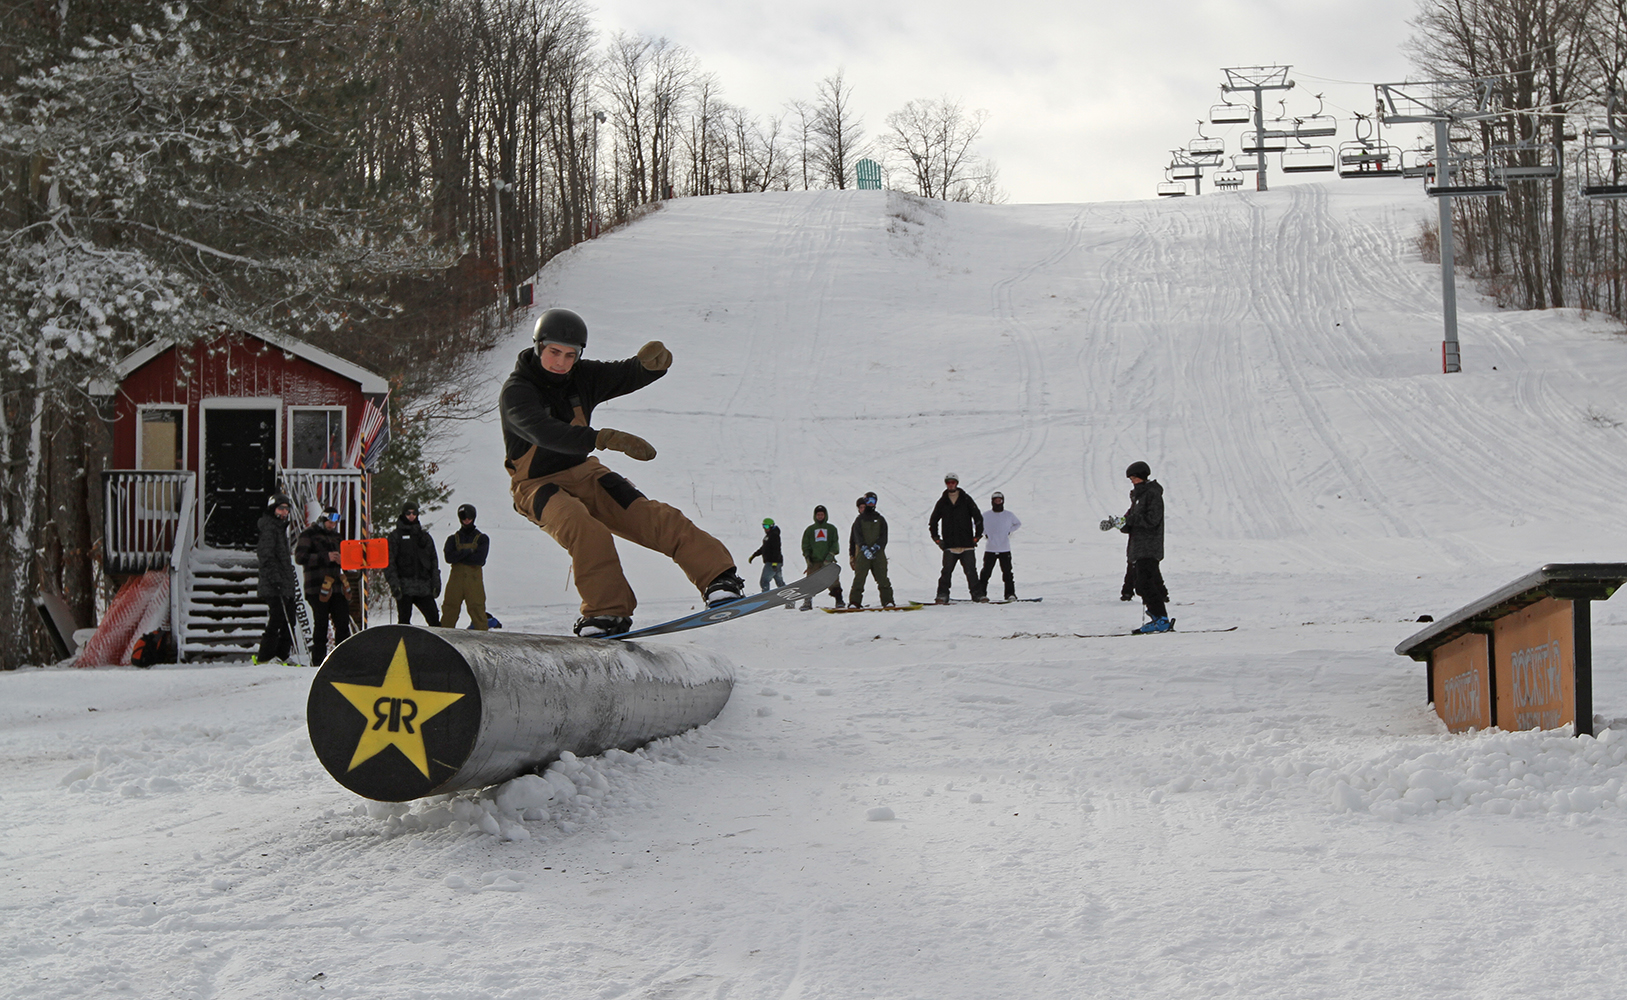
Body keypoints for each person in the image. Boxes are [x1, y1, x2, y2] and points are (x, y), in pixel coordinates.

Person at [500, 307, 744, 637]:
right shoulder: (517, 391)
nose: (561, 362)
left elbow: (622, 374)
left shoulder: (581, 377)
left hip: (584, 471)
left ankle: (719, 578)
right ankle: (605, 612)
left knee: (646, 514)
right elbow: (543, 431)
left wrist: (647, 367)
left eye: (570, 355)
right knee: (584, 529)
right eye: (553, 352)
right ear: (538, 346)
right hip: (536, 485)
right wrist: (601, 438)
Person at [1119, 460, 1173, 633]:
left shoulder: (1152, 494)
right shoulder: (1137, 496)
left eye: (1133, 478)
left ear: (1142, 476)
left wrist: (1130, 520)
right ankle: (1158, 617)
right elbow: (1129, 522)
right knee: (1143, 584)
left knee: (1145, 583)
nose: (1132, 481)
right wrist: (1119, 523)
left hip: (1149, 547)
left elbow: (1152, 519)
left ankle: (1161, 619)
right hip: (1138, 547)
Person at [295, 502, 351, 662]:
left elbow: (348, 559)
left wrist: (343, 560)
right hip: (317, 587)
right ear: (322, 520)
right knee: (321, 625)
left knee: (342, 623)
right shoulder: (308, 534)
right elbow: (300, 557)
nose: (332, 526)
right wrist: (325, 557)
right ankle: (318, 661)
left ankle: (342, 659)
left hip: (337, 587)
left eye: (335, 523)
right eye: (330, 522)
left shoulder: (337, 536)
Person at [254, 494, 299, 665]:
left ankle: (282, 654)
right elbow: (266, 556)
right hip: (273, 583)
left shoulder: (280, 529)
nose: (284, 512)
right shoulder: (269, 528)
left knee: (290, 619)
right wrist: (276, 579)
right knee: (277, 618)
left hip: (285, 583)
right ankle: (265, 656)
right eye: (281, 508)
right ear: (273, 509)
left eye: (287, 509)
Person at [929, 473, 985, 603]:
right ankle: (942, 595)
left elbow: (978, 518)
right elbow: (933, 521)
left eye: (953, 482)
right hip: (950, 545)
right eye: (948, 482)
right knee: (946, 573)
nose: (951, 484)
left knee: (971, 572)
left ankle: (978, 595)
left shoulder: (966, 499)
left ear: (957, 483)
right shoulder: (942, 502)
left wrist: (977, 537)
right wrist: (937, 539)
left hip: (967, 544)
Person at [385, 501, 441, 626]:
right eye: (408, 513)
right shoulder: (395, 537)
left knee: (434, 620)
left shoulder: (424, 537)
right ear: (403, 514)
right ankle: (403, 645)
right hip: (404, 587)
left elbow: (433, 561)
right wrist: (395, 585)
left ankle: (433, 645)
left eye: (414, 513)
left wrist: (436, 583)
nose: (411, 516)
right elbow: (389, 563)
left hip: (424, 586)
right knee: (404, 623)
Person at [441, 503, 490, 630]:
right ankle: (445, 639)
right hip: (455, 581)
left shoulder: (482, 538)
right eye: (464, 517)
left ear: (474, 517)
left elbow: (479, 560)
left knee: (477, 609)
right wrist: (468, 552)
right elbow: (449, 558)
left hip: (473, 581)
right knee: (449, 609)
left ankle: (483, 641)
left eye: (469, 517)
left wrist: (459, 555)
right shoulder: (452, 539)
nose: (467, 520)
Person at [848, 493, 895, 609]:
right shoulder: (859, 520)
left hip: (878, 554)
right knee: (859, 579)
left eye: (873, 501)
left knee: (882, 578)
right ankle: (854, 602)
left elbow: (884, 536)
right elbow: (856, 536)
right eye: (868, 500)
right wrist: (863, 548)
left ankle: (888, 600)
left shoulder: (880, 519)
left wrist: (877, 547)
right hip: (863, 554)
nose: (871, 503)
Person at [977, 491, 1023, 601]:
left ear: (1003, 501)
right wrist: (985, 532)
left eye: (1000, 500)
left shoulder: (1009, 515)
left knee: (1007, 573)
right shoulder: (986, 515)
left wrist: (1009, 531)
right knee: (986, 573)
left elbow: (1018, 523)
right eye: (996, 500)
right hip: (990, 549)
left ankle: (1010, 594)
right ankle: (981, 594)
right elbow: (977, 525)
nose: (998, 502)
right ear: (992, 502)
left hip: (1004, 549)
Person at [799, 504, 844, 610]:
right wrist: (807, 557)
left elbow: (835, 543)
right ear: (815, 516)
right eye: (818, 514)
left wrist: (831, 555)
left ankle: (839, 600)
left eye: (822, 514)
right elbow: (805, 545)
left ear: (825, 515)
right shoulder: (810, 530)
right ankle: (807, 602)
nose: (820, 516)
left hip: (827, 561)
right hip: (814, 561)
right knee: (810, 581)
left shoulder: (831, 529)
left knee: (833, 581)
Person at [748, 518, 786, 591]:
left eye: (767, 527)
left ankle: (765, 597)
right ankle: (789, 598)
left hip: (772, 563)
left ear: (771, 526)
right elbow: (764, 548)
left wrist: (774, 562)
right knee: (779, 582)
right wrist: (754, 555)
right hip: (776, 562)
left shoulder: (774, 536)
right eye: (764, 526)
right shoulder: (769, 536)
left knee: (764, 581)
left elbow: (776, 549)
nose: (765, 529)